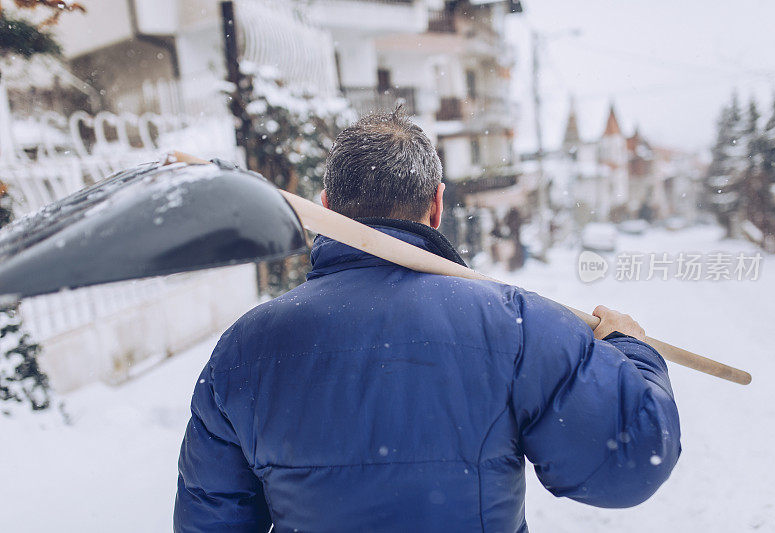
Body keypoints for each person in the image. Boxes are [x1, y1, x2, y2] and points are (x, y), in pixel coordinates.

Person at [174, 109, 681, 532]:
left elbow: (210, 521)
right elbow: (629, 464)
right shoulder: (517, 325)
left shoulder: (245, 349)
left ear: (325, 207)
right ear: (437, 205)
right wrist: (631, 350)